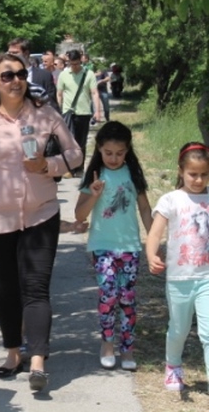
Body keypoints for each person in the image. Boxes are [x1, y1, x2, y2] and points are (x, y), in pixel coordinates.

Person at [0, 53, 82, 393]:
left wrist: (47, 165)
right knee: (6, 290)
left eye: (20, 74)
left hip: (41, 213)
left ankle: (38, 360)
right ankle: (13, 354)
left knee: (36, 288)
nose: (15, 81)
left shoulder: (45, 115)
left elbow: (75, 155)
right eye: (7, 76)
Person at [74, 122, 152, 371]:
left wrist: (152, 242)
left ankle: (127, 349)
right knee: (108, 296)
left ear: (128, 150)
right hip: (102, 247)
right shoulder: (95, 175)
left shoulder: (133, 174)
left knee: (127, 299)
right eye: (109, 153)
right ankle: (108, 344)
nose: (114, 158)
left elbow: (145, 208)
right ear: (99, 149)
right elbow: (79, 215)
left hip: (130, 247)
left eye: (120, 153)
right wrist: (94, 194)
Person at [145, 142, 209, 392]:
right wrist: (151, 255)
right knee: (179, 329)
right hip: (179, 279)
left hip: (206, 278)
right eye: (193, 174)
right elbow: (154, 233)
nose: (198, 179)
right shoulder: (171, 199)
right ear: (181, 170)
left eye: (204, 174)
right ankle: (173, 366)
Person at [57, 49, 103, 177]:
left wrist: (97, 111)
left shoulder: (89, 74)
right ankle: (70, 168)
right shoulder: (63, 75)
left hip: (84, 112)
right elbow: (59, 94)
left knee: (81, 142)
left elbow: (94, 93)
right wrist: (58, 111)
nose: (75, 66)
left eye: (77, 63)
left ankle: (79, 168)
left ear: (81, 60)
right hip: (68, 112)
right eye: (72, 64)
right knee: (68, 142)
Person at [7, 37, 59, 111]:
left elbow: (52, 104)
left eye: (15, 53)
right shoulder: (5, 76)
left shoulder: (44, 76)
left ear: (26, 53)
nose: (10, 56)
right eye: (9, 52)